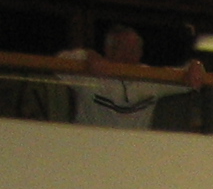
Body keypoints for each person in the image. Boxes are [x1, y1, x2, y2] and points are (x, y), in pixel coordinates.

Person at [54, 24, 204, 130]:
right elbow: (58, 63)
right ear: (108, 50)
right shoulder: (91, 76)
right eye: (123, 49)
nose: (130, 56)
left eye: (134, 50)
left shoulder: (149, 78)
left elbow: (187, 75)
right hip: (89, 148)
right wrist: (89, 56)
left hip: (133, 152)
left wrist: (196, 65)